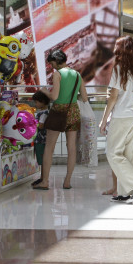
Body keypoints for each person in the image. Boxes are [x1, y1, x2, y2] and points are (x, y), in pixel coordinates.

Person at [100, 37, 133, 202]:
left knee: (112, 152)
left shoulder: (118, 68)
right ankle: (124, 192)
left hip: (121, 116)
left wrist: (104, 119)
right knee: (127, 154)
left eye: (116, 46)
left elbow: (113, 97)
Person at [36, 50, 88, 190]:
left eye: (52, 62)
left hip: (58, 111)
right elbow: (84, 97)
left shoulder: (57, 74)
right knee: (71, 148)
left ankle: (45, 181)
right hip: (73, 111)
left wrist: (44, 91)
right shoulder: (77, 74)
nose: (52, 66)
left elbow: (54, 96)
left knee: (49, 147)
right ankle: (67, 181)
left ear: (57, 61)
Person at [31, 90, 50, 187]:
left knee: (42, 160)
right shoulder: (45, 112)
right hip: (43, 139)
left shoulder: (43, 114)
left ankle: (43, 178)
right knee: (42, 160)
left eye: (36, 102)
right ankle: (42, 178)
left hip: (41, 140)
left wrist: (33, 124)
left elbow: (41, 126)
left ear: (42, 102)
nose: (35, 104)